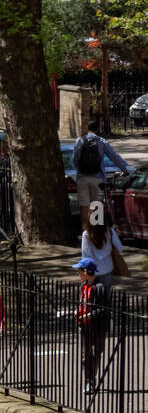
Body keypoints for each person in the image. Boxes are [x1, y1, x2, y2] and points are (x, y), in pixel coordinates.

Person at [72, 122, 131, 231]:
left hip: (82, 178)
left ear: (87, 128)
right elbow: (114, 157)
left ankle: (86, 234)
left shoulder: (79, 141)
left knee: (84, 206)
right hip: (97, 178)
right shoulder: (102, 142)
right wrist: (124, 170)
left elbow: (75, 160)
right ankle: (96, 234)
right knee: (96, 204)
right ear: (98, 129)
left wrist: (81, 170)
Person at [74, 258, 112, 395]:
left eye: (79, 270)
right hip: (84, 326)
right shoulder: (83, 285)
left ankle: (92, 379)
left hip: (97, 327)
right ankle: (88, 381)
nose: (78, 273)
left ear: (85, 271)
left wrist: (89, 315)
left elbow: (104, 309)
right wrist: (78, 312)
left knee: (96, 353)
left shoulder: (100, 288)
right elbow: (82, 304)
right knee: (85, 356)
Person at [81, 222, 126, 287]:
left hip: (93, 271)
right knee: (106, 295)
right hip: (107, 269)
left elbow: (85, 255)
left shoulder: (86, 234)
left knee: (92, 294)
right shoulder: (110, 231)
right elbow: (120, 248)